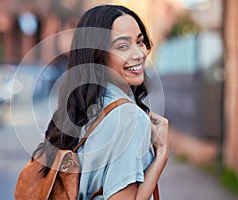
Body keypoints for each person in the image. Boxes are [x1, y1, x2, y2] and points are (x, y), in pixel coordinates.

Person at [34, 4, 169, 200]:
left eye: (139, 41)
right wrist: (161, 157)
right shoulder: (130, 118)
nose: (139, 54)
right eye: (122, 46)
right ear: (98, 56)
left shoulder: (84, 108)